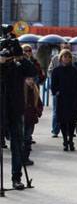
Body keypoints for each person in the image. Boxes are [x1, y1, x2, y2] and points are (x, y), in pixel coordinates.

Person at [0, 46, 37, 189]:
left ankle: (17, 178)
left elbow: (32, 72)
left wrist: (21, 56)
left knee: (17, 145)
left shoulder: (18, 65)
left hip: (16, 109)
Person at [51, 49, 77, 152]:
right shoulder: (56, 71)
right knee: (63, 120)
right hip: (62, 99)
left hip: (73, 98)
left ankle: (71, 140)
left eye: (69, 57)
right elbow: (53, 86)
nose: (67, 59)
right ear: (61, 58)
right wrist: (57, 92)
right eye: (65, 57)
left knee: (72, 120)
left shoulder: (74, 70)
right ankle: (65, 140)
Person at [48, 42, 71, 137]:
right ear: (60, 48)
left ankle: (69, 131)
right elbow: (49, 71)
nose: (65, 48)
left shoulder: (71, 58)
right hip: (58, 89)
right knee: (56, 111)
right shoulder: (55, 59)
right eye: (64, 47)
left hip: (69, 90)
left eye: (67, 47)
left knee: (69, 110)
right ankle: (55, 130)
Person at [23, 77, 43, 166]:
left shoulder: (35, 90)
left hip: (31, 119)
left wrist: (38, 111)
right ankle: (22, 157)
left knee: (28, 138)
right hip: (23, 119)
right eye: (28, 79)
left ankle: (25, 158)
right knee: (24, 139)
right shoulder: (21, 90)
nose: (30, 81)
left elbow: (39, 103)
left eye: (31, 79)